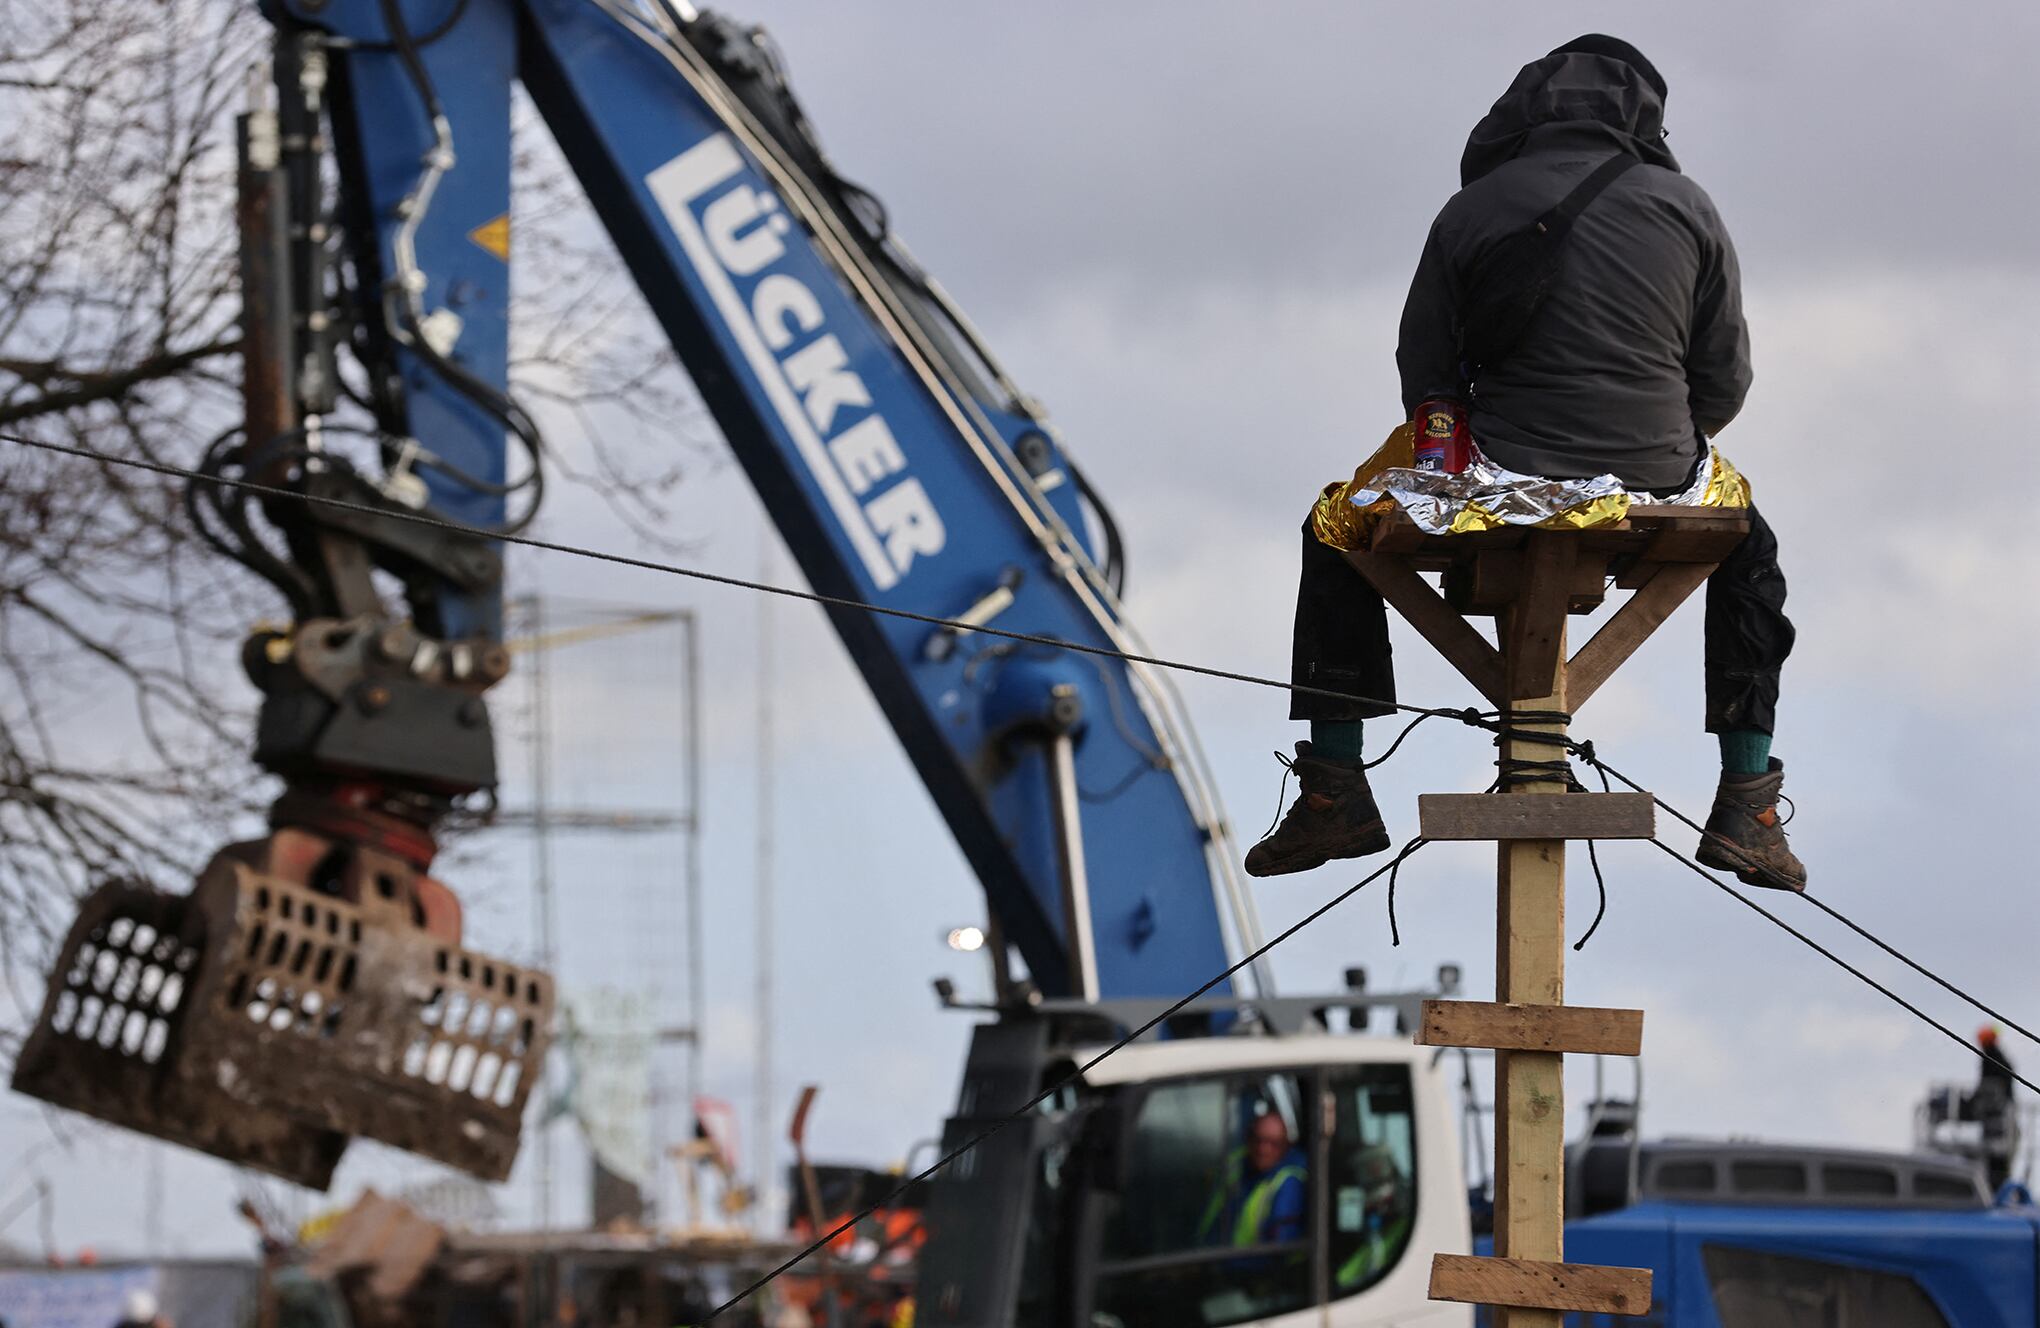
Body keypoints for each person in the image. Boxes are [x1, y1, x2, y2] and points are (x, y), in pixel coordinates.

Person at [1247, 35, 1805, 891]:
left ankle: (1334, 790)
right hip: (1659, 463)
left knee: (1334, 526)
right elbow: (1724, 378)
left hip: (1507, 463)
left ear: (1523, 114)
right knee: (1748, 546)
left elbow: (1426, 377)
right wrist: (1651, 444)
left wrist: (1460, 462)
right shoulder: (1689, 205)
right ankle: (1748, 805)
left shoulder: (1470, 210)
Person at [1199, 1112, 1308, 1249]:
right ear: (1248, 1139)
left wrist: (1223, 1264)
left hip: (1250, 1267)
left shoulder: (1290, 1184)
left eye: (1273, 1143)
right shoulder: (1236, 1164)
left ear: (1286, 1146)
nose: (1263, 1149)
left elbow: (1278, 1250)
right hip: (1208, 1256)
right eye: (1258, 1140)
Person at [1970, 1025, 2018, 1191]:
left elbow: (1985, 1084)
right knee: (2000, 1156)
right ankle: (1999, 1183)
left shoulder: (1990, 1058)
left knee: (1995, 1154)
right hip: (2004, 1111)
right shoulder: (2000, 1057)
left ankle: (1996, 1185)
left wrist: (1970, 1101)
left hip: (1999, 1113)